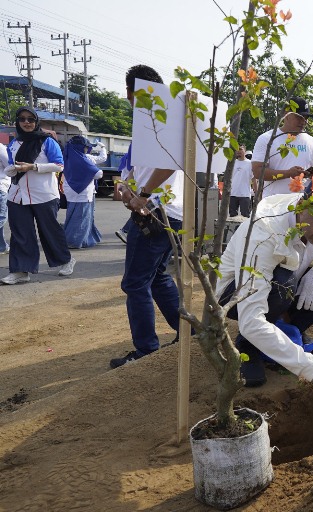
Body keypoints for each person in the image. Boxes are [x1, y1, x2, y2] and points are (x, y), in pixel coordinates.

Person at [216, 174, 313, 397]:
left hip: (286, 283)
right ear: (303, 205)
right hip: (235, 294)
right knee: (282, 284)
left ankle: (290, 329)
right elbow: (250, 319)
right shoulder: (265, 231)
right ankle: (248, 346)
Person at [110, 64, 185, 369]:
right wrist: (126, 191)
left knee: (135, 283)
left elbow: (171, 163)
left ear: (130, 93)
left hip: (158, 211)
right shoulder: (152, 120)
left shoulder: (158, 118)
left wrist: (140, 193)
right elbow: (128, 175)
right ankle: (186, 331)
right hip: (159, 210)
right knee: (156, 278)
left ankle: (146, 351)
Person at [1, 106, 75, 285]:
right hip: (17, 195)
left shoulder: (46, 142)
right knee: (20, 234)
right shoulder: (14, 144)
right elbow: (10, 166)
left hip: (44, 195)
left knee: (49, 231)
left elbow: (59, 166)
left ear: (36, 122)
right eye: (22, 119)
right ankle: (21, 271)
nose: (26, 122)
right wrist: (13, 170)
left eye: (30, 119)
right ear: (17, 122)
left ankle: (66, 260)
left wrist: (33, 167)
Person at [251, 97, 313, 198]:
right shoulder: (267, 138)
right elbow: (257, 172)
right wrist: (288, 173)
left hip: (303, 204)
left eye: (306, 118)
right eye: (299, 117)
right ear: (287, 114)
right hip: (274, 205)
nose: (303, 121)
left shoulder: (312, 142)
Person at [62, 136, 103, 249]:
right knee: (81, 218)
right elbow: (98, 174)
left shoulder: (68, 156)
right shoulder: (81, 158)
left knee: (72, 216)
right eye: (86, 147)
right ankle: (75, 241)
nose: (87, 149)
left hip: (72, 191)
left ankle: (79, 238)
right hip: (83, 192)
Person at [229, 146, 253, 217]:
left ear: (245, 151)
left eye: (240, 149)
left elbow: (254, 179)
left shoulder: (250, 163)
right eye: (237, 150)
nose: (238, 151)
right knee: (232, 216)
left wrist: (257, 192)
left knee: (245, 216)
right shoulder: (232, 163)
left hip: (245, 194)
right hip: (233, 193)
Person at [0, 142, 9, 255]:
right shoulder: (1, 148)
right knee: (1, 218)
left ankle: (2, 246)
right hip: (1, 186)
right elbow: (10, 166)